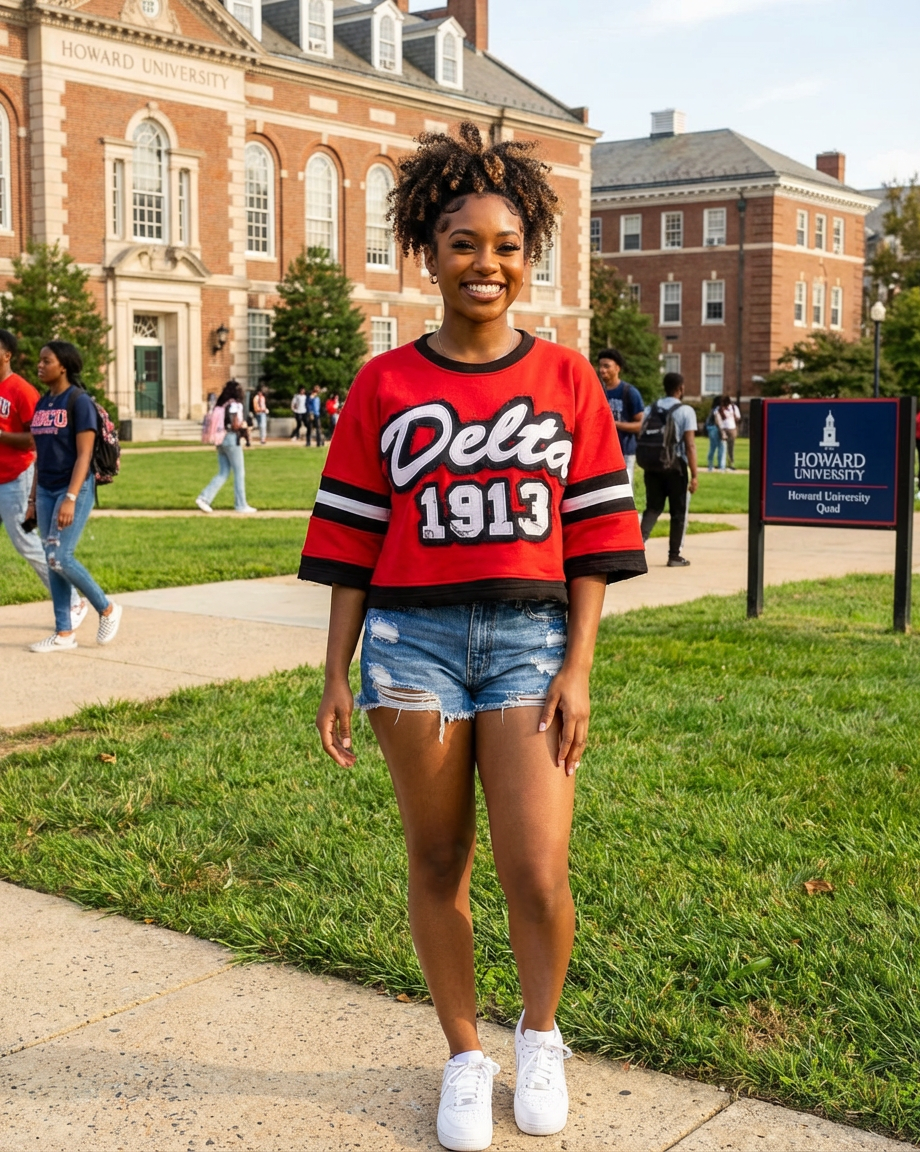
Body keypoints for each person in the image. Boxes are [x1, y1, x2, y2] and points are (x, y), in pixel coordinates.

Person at [302, 122, 646, 1152]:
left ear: (525, 255)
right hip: (411, 643)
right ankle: (463, 1053)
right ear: (427, 252)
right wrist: (334, 671)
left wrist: (579, 667)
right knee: (438, 857)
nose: (483, 262)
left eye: (502, 244)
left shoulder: (570, 381)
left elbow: (593, 537)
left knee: (536, 870)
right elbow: (353, 538)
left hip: (532, 642)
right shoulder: (382, 386)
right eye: (461, 242)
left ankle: (539, 1034)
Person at [26, 341, 122, 652]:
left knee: (60, 556)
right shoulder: (43, 404)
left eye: (46, 361)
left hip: (74, 488)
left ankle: (106, 608)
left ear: (63, 366)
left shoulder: (79, 402)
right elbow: (40, 456)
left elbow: (84, 455)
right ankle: (64, 633)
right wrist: (31, 499)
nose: (40, 366)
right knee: (52, 560)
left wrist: (70, 497)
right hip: (45, 489)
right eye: (40, 361)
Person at [0, 330, 87, 631]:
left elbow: (36, 438)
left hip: (16, 479)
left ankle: (73, 600)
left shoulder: (21, 391)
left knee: (26, 542)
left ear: (6, 354)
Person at [639, 371, 698, 567]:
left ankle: (636, 549)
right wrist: (695, 475)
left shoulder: (650, 409)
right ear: (680, 389)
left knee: (653, 508)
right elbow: (690, 445)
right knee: (678, 512)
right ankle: (674, 555)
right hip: (675, 466)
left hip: (652, 465)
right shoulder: (686, 411)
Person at [195, 381, 256, 514]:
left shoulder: (221, 405)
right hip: (231, 438)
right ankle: (241, 504)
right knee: (239, 472)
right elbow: (235, 424)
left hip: (220, 439)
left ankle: (204, 498)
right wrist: (243, 427)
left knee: (223, 472)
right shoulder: (235, 405)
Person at [597, 349, 644, 486]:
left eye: (607, 366)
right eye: (600, 366)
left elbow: (640, 424)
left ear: (617, 368)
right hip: (603, 452)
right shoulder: (598, 391)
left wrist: (613, 424)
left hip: (625, 451)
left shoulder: (629, 392)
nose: (602, 370)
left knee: (625, 489)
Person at [717, 395, 741, 470]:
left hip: (732, 429)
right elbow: (718, 419)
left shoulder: (734, 408)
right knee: (722, 447)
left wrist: (733, 417)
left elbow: (738, 417)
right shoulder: (720, 409)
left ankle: (731, 464)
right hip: (723, 429)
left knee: (731, 447)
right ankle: (721, 463)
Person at [705, 395, 723, 472]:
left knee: (713, 447)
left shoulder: (712, 409)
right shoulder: (717, 409)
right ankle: (719, 466)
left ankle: (711, 465)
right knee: (719, 447)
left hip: (710, 428)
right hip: (715, 428)